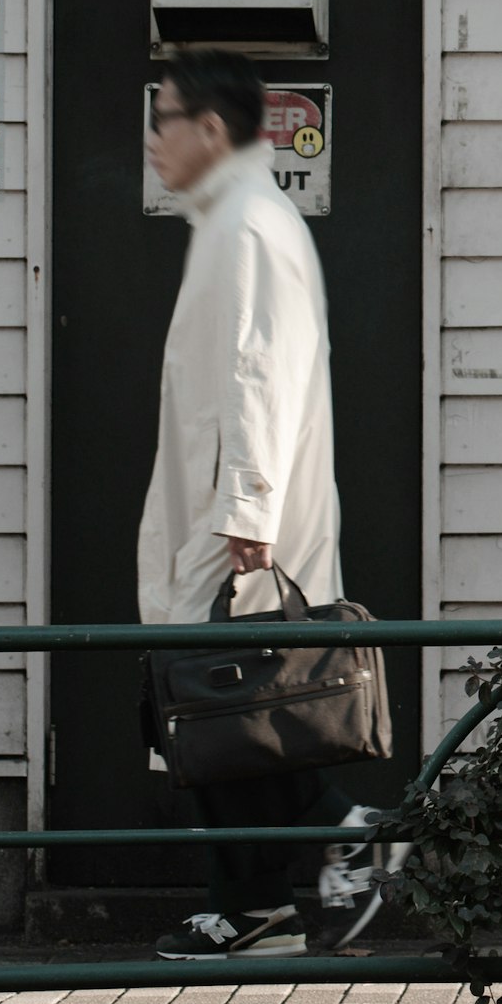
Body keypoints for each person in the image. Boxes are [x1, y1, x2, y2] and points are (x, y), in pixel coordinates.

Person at [138, 50, 347, 957]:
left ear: (211, 129)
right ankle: (257, 900)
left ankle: (342, 832)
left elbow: (257, 372)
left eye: (164, 119)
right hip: (228, 514)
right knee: (221, 712)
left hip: (238, 527)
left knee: (214, 706)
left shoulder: (248, 226)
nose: (152, 140)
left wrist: (250, 513)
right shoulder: (235, 219)